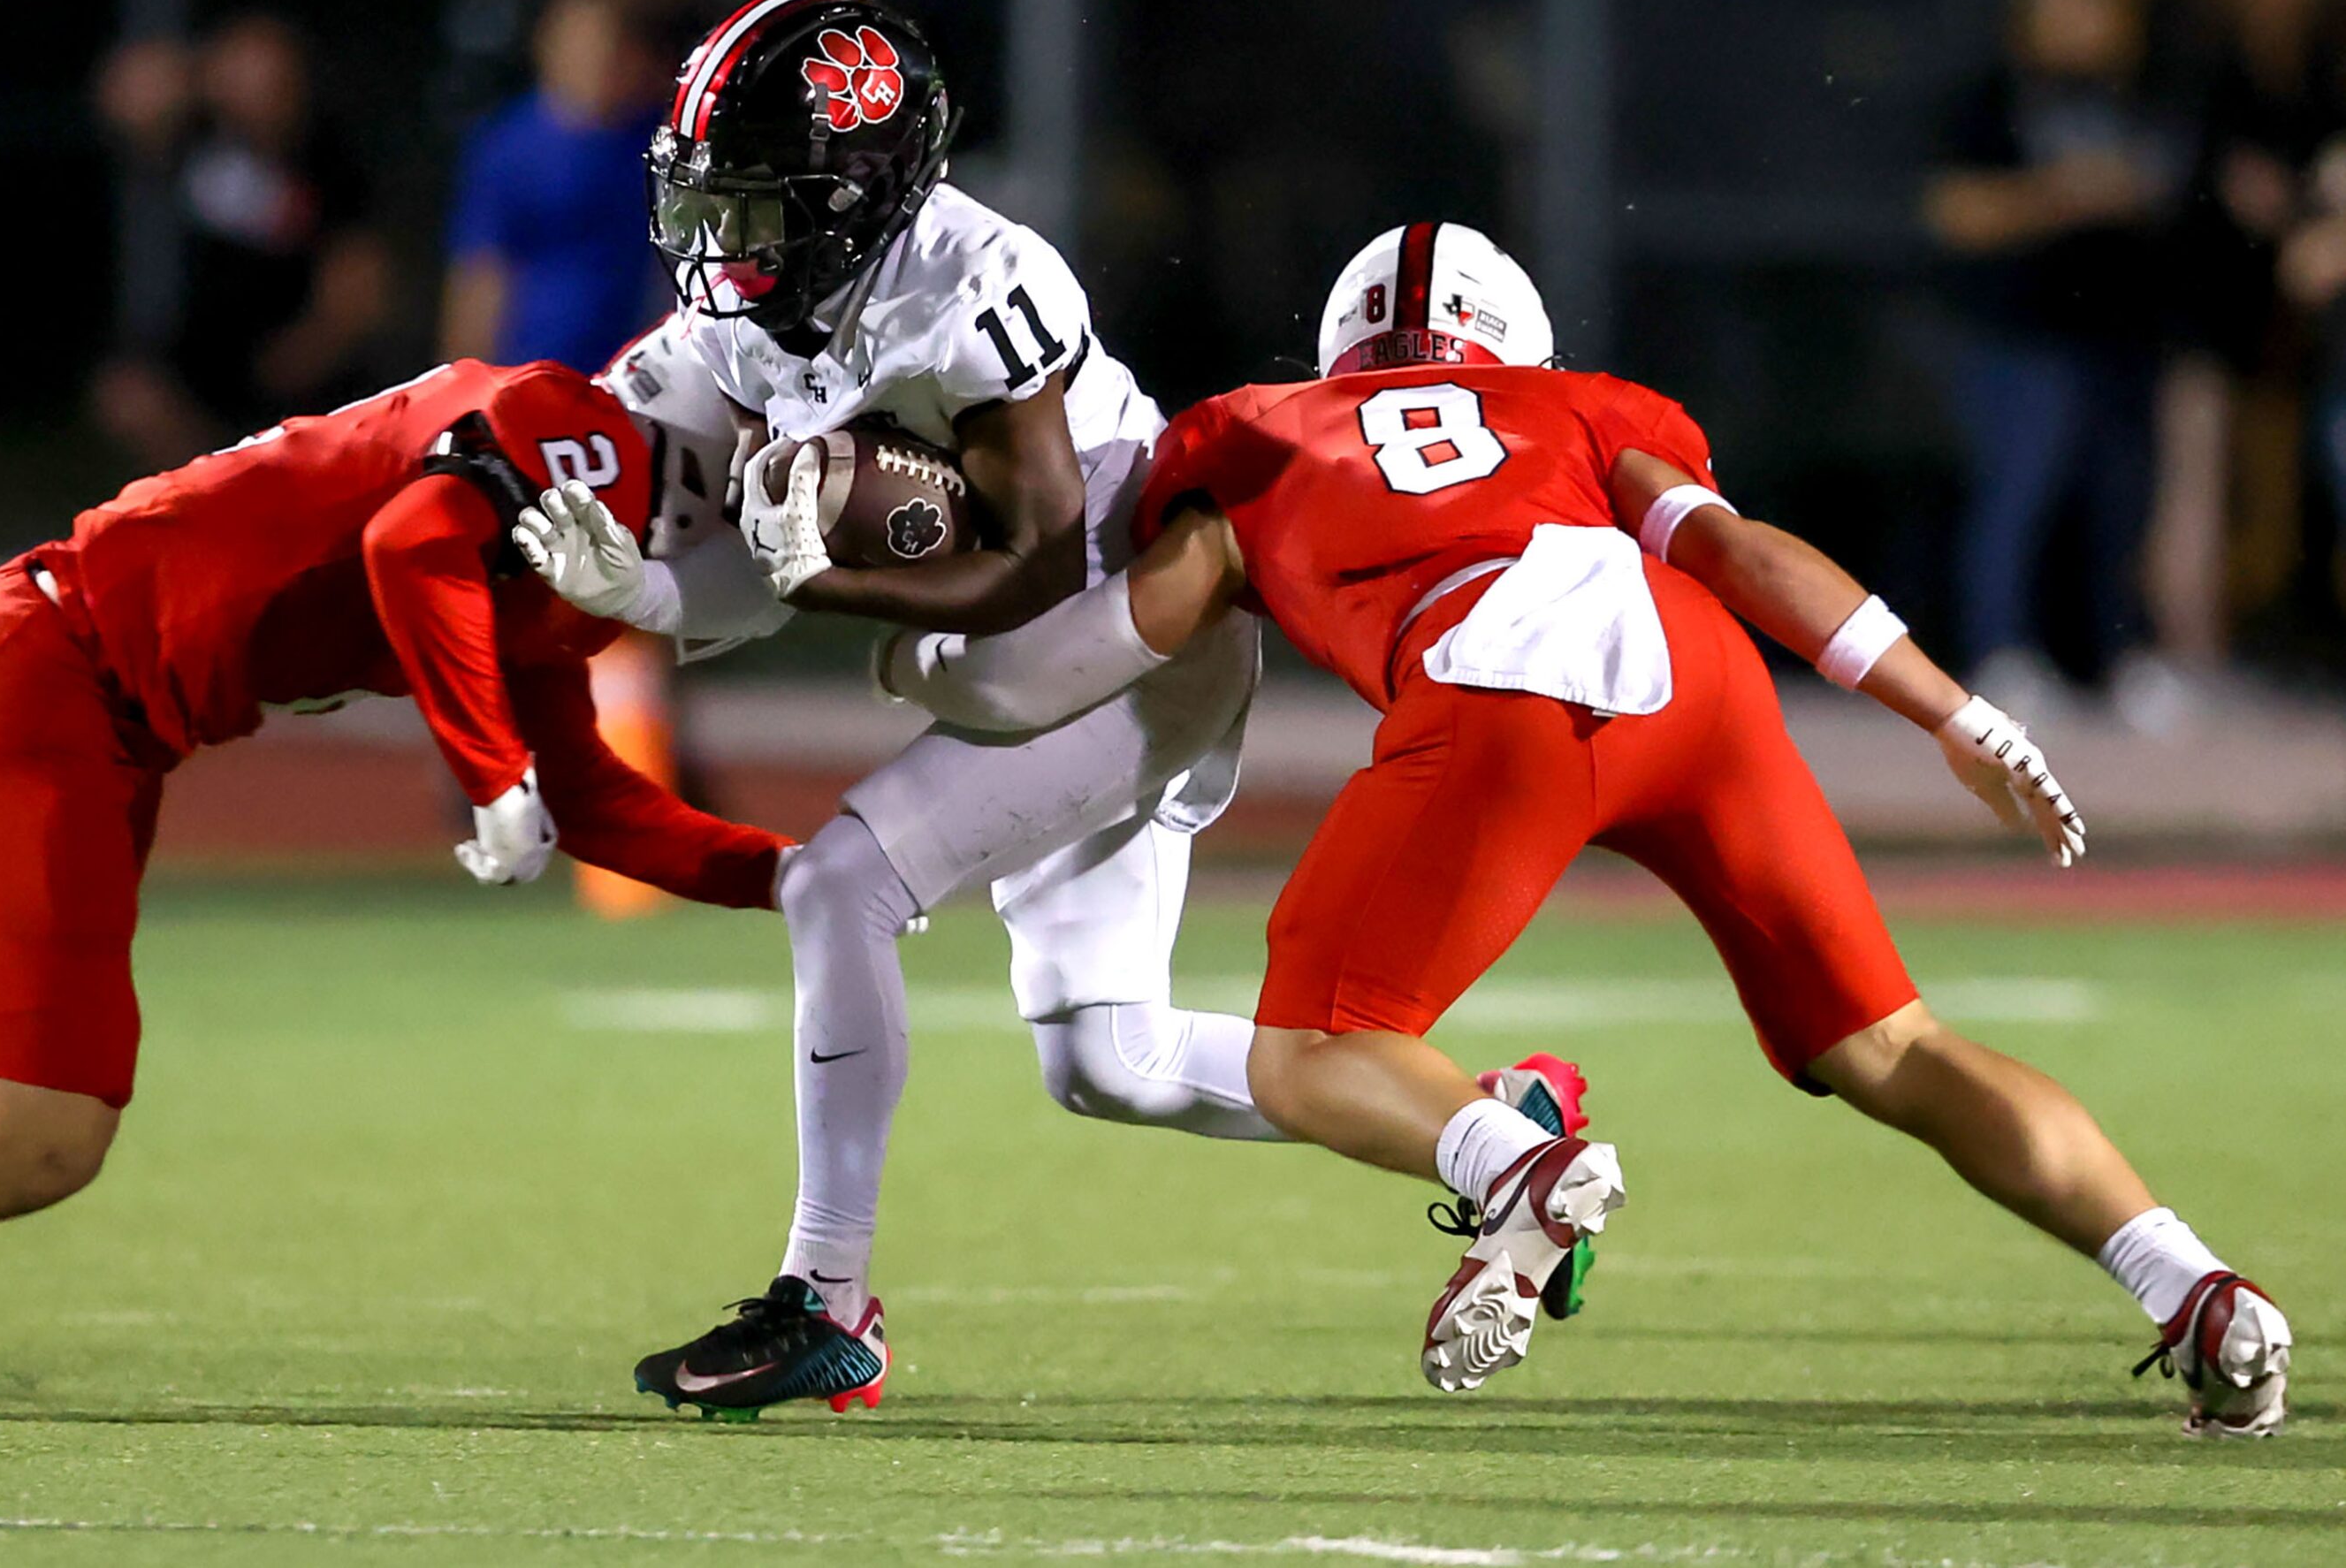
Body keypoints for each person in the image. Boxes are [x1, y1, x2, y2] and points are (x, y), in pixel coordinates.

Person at [874, 221, 2291, 1437]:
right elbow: (1734, 552)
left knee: (1309, 1049)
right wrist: (1951, 712)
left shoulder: (1253, 435)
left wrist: (915, 655)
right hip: (1684, 663)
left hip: (1495, 685)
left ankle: (1522, 1162)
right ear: (1511, 343)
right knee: (1892, 1045)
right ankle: (2195, 1286)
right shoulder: (1576, 407)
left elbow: (1100, 650)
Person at [511, 0, 1567, 1420]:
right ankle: (1490, 1131)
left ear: (855, 192)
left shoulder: (975, 282)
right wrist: (619, 590)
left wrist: (820, 573)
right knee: (1104, 1053)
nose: (727, 247)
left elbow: (1012, 567)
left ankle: (826, 1300)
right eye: (715, 204)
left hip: (1121, 626)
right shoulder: (740, 322)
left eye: (761, 208)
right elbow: (708, 523)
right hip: (1030, 655)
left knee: (842, 883)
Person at [0, 359, 792, 1417]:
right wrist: (485, 770)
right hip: (47, 673)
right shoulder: (575, 428)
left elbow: (598, 800)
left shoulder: (564, 543)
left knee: (16, 999)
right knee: (43, 1134)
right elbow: (410, 542)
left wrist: (798, 879)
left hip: (88, 692)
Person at [1923, 0, 2182, 714]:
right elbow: (1953, 212)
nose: (2087, 26)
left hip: (2117, 340)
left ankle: (2115, 660)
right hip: (2018, 337)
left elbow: (2161, 189)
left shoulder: (2133, 96)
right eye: (2067, 7)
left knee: (2117, 508)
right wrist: (2063, 194)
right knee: (2013, 501)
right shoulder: (1988, 98)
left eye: (2095, 8)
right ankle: (1998, 653)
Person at [94, 15, 392, 475]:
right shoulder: (198, 144)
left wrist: (305, 352)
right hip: (205, 363)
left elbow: (359, 289)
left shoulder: (331, 159)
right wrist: (197, 71)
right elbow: (127, 95)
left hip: (299, 366)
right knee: (129, 395)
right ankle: (206, 509)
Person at [440, 0, 676, 371]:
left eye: (613, 47)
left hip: (640, 376)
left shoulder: (662, 142)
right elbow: (480, 279)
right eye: (583, 45)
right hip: (530, 375)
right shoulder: (508, 148)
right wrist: (466, 391)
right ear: (548, 44)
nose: (597, 62)